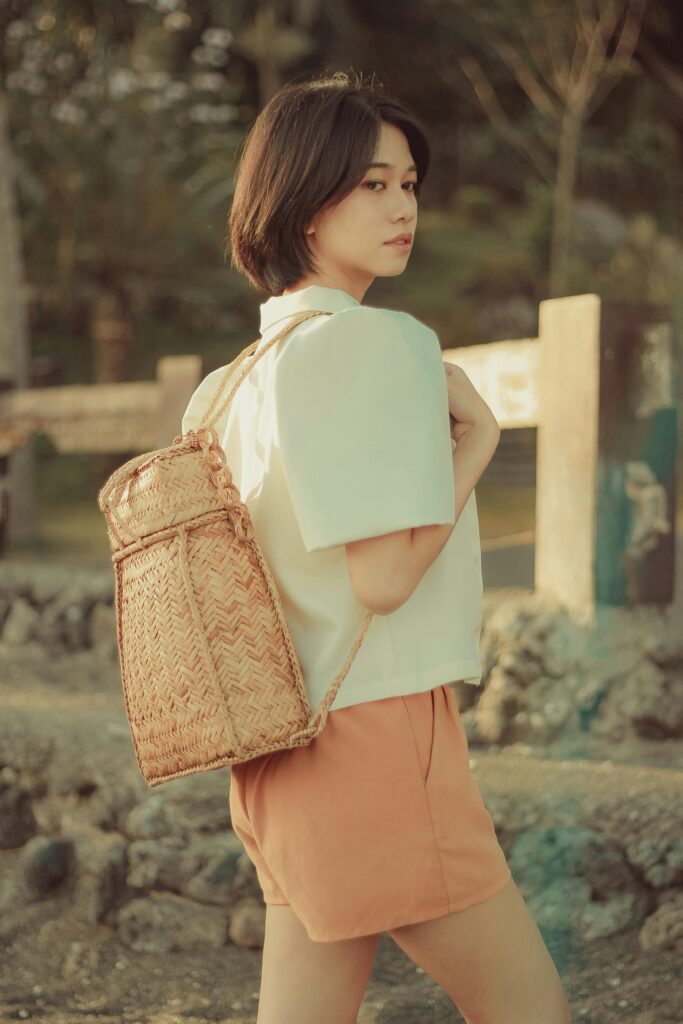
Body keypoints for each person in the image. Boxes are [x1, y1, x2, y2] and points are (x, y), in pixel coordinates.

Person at [182, 69, 571, 1024]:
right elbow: (384, 578)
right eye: (370, 184)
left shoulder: (224, 389)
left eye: (408, 184)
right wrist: (476, 441)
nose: (402, 207)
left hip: (277, 747)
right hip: (378, 736)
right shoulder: (379, 344)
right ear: (303, 202)